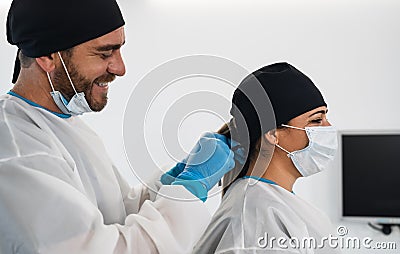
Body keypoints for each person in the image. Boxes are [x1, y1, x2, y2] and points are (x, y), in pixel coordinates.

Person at [0, 0, 235, 253]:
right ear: (48, 56)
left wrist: (175, 178)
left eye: (119, 50)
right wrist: (188, 188)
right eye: (104, 53)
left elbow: (115, 212)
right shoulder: (18, 152)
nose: (120, 68)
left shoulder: (63, 123)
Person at [193, 62, 341, 253]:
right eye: (316, 120)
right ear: (272, 134)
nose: (328, 128)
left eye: (325, 116)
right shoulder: (255, 215)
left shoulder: (274, 204)